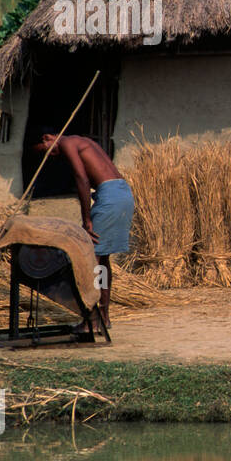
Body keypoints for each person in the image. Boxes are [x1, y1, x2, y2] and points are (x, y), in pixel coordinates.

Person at [31, 127, 134, 327]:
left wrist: (86, 219)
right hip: (123, 193)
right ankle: (103, 316)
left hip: (111, 197)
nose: (50, 156)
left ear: (48, 138)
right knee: (102, 260)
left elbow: (82, 179)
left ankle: (93, 319)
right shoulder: (84, 142)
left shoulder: (68, 143)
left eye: (46, 151)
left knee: (91, 262)